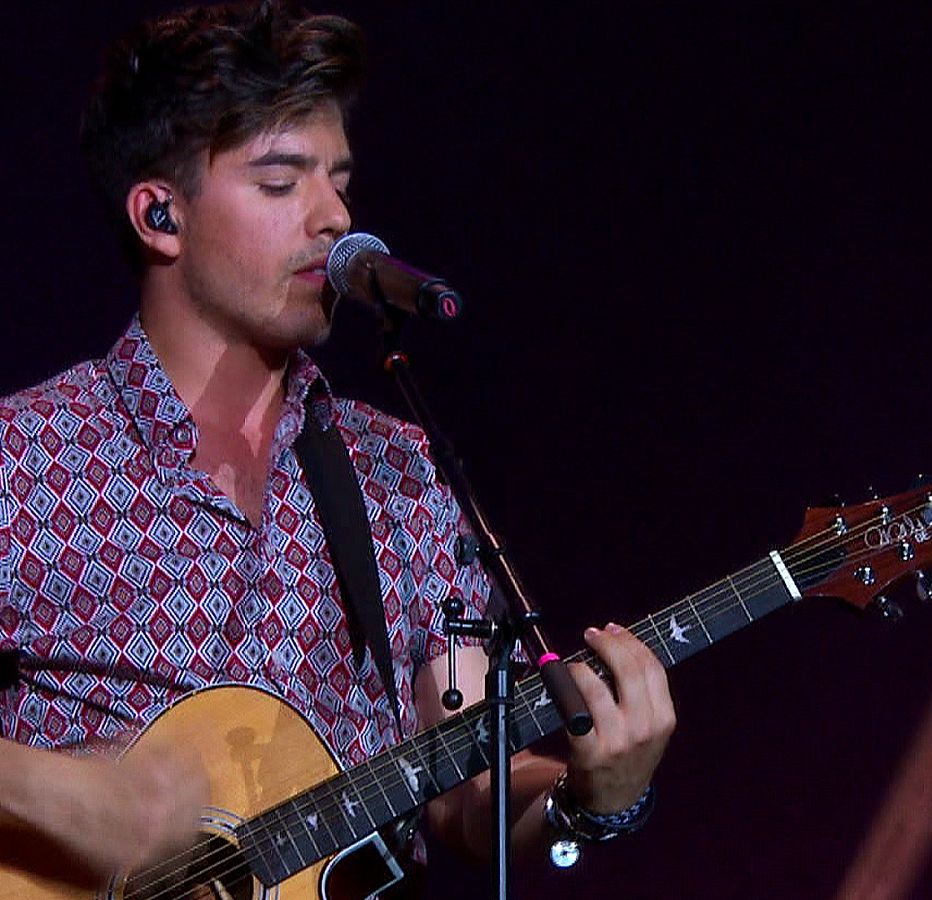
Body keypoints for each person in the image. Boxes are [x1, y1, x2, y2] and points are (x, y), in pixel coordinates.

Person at [0, 0, 674, 891]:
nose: (333, 218)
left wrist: (592, 799)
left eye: (339, 180)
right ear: (160, 216)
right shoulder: (27, 456)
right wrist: (79, 800)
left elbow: (465, 789)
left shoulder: (394, 467)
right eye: (281, 183)